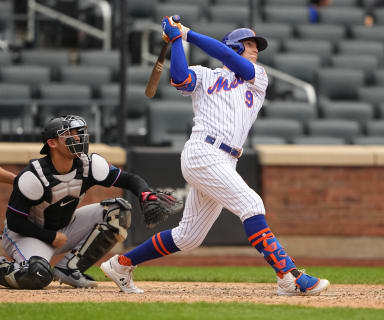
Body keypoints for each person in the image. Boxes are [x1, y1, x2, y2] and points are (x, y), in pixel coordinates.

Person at [101, 16, 330, 296]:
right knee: (251, 204)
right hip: (203, 152)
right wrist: (176, 41)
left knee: (188, 237)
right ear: (234, 47)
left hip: (226, 159)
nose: (255, 49)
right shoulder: (206, 75)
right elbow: (180, 79)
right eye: (248, 44)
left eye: (256, 45)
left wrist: (188, 34)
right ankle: (289, 277)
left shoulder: (257, 77)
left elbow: (224, 55)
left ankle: (121, 264)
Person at [0, 115, 179, 290]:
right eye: (69, 134)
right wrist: (50, 237)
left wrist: (146, 194)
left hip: (64, 227)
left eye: (78, 133)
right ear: (52, 143)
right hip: (28, 234)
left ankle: (69, 268)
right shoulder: (34, 176)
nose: (77, 138)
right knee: (37, 275)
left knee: (118, 212)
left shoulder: (88, 164)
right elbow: (15, 223)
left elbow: (129, 179)